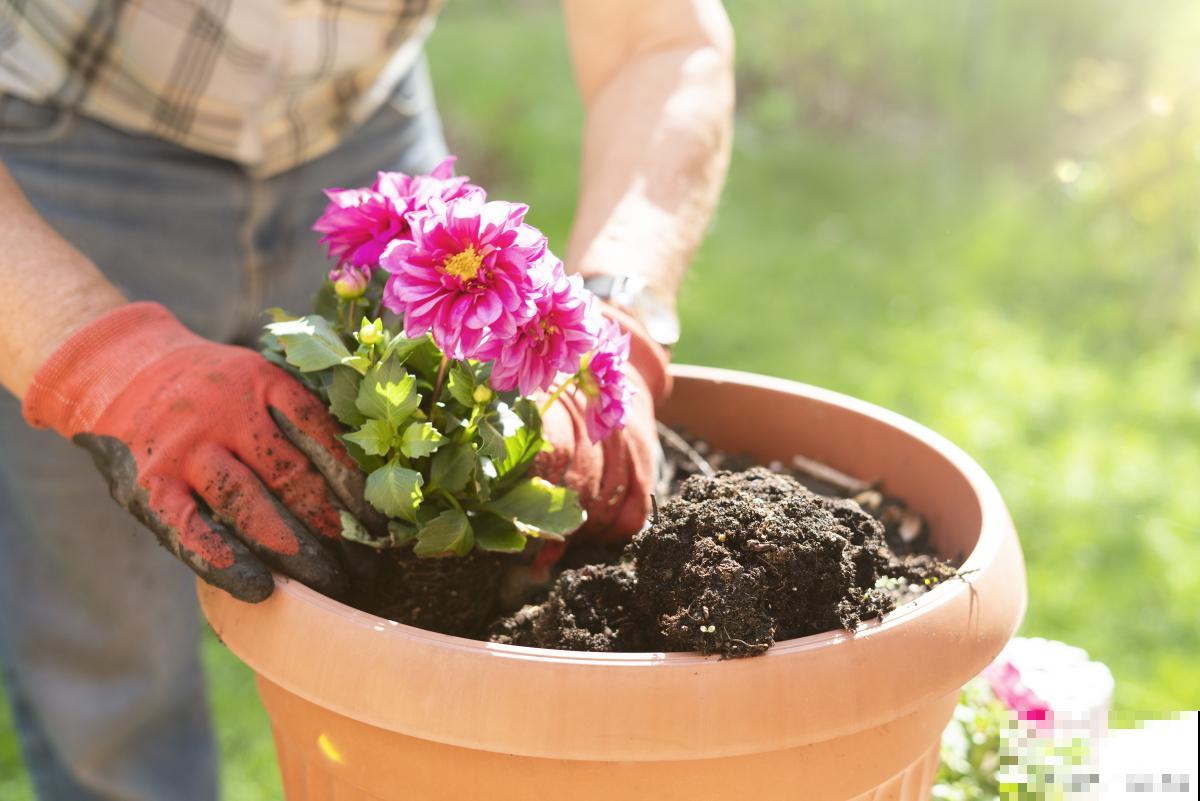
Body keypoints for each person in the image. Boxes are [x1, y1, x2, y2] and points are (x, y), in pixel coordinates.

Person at [0, 0, 733, 797]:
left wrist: (614, 319)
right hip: (64, 141)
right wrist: (98, 361)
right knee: (107, 660)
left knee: (423, 595)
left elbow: (660, 40)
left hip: (357, 129)